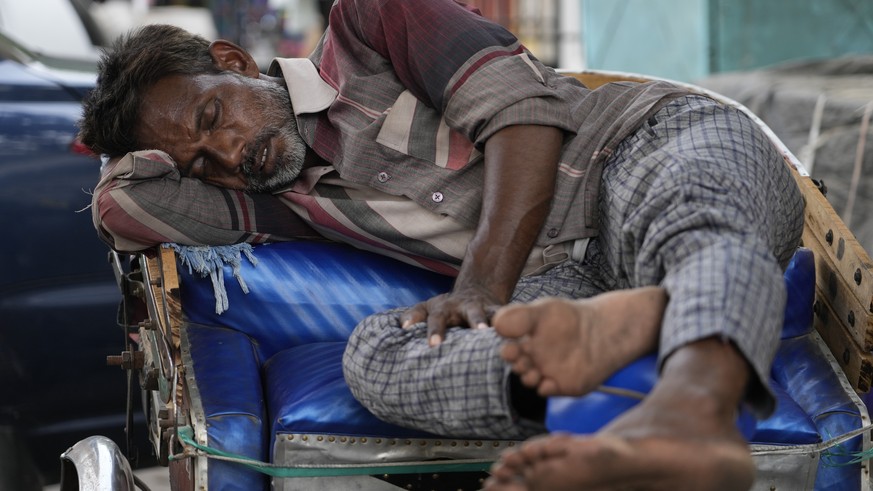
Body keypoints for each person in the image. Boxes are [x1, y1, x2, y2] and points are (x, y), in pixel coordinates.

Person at [78, 0, 804, 489]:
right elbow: (120, 204)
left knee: (695, 221)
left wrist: (482, 286)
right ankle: (641, 332)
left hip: (637, 149)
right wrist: (159, 151)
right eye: (199, 162)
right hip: (561, 289)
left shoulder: (370, 25)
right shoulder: (281, 197)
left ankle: (690, 411)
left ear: (234, 61)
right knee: (375, 357)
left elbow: (523, 115)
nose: (228, 155)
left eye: (214, 115)